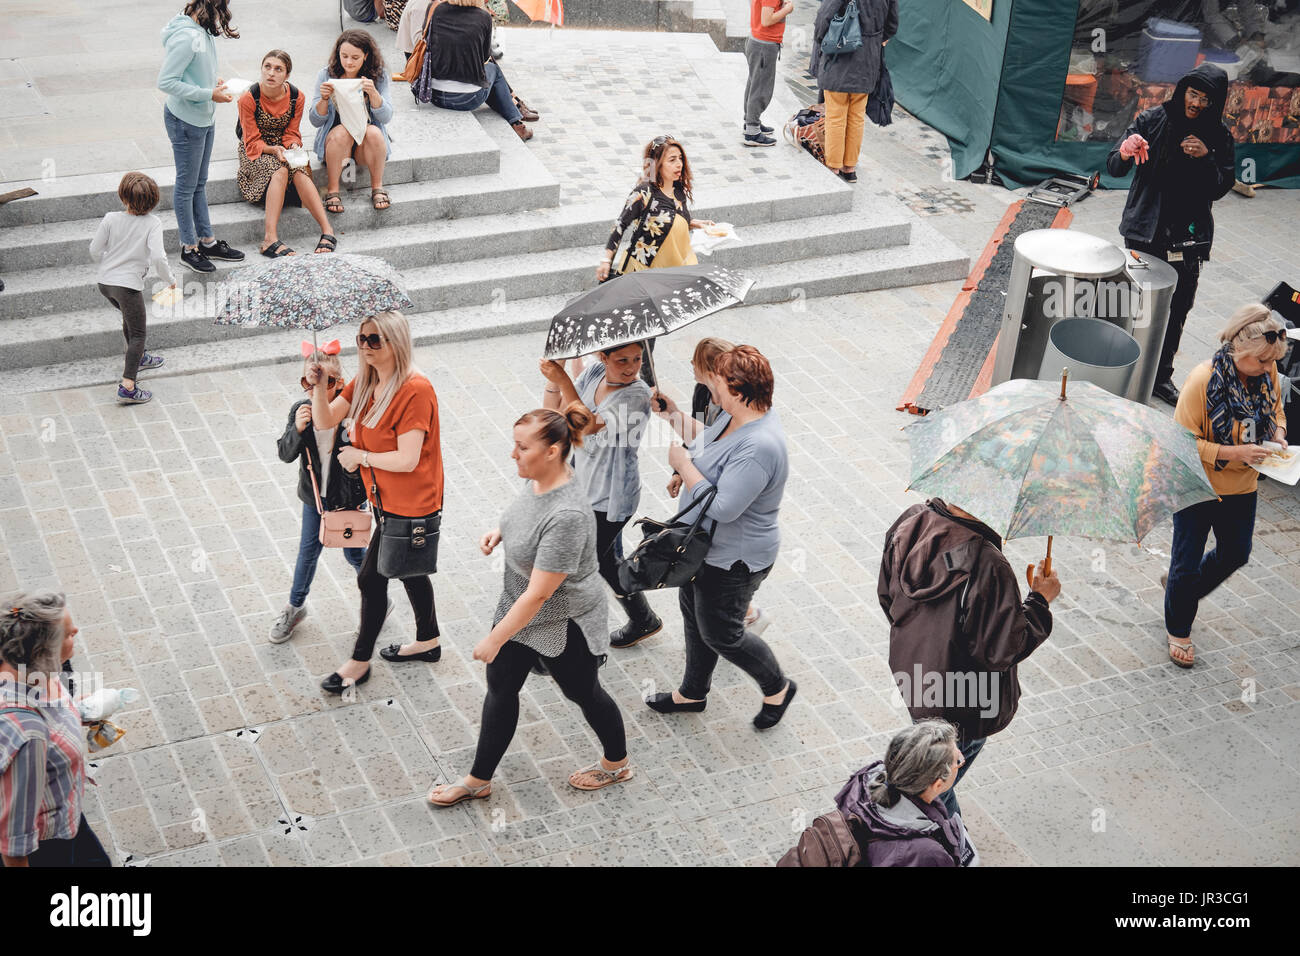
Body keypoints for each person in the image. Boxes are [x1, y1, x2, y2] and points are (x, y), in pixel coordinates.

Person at [428, 407, 633, 806]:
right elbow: (526, 516)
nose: (513, 455)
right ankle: (478, 780)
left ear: (554, 451)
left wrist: (495, 637)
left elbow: (540, 593)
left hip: (562, 621)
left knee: (584, 693)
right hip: (520, 607)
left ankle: (617, 763)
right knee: (501, 687)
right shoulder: (538, 480)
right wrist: (500, 531)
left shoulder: (569, 515)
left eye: (522, 447)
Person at [878, 497, 1060, 818]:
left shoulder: (910, 521)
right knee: (933, 789)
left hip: (917, 680)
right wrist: (1040, 601)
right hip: (967, 705)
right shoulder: (987, 564)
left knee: (929, 779)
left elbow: (886, 596)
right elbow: (1002, 648)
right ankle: (946, 844)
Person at [645, 346, 796, 729]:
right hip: (703, 548)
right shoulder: (736, 417)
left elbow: (725, 506)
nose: (707, 381)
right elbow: (708, 446)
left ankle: (778, 688)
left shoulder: (760, 445)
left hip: (734, 559)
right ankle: (692, 693)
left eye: (716, 378)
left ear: (738, 388)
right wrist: (674, 416)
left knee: (722, 633)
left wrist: (683, 466)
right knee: (694, 616)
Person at [305, 312, 445, 693]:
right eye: (361, 339)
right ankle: (429, 640)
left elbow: (408, 458)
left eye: (374, 340)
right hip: (385, 500)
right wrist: (319, 387)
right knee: (411, 571)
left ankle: (359, 661)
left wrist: (360, 456)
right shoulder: (367, 383)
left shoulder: (415, 389)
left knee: (370, 578)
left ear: (396, 341)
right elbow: (324, 421)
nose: (365, 347)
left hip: (412, 502)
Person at [1165, 304, 1288, 667]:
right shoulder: (1202, 381)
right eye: (1262, 362)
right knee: (1185, 565)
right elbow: (1180, 442)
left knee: (1237, 553)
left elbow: (1276, 409)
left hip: (1241, 486)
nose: (1269, 370)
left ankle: (1179, 593)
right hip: (1196, 485)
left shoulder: (1269, 374)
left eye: (1271, 363)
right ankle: (1178, 627)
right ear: (1240, 351)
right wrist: (1233, 452)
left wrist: (1278, 432)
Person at [1107, 63, 1235, 407]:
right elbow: (1114, 166)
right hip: (1145, 233)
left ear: (1215, 102)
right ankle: (1122, 368)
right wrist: (1124, 150)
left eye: (1205, 99)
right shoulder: (1152, 120)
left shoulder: (1219, 136)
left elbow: (1223, 185)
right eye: (1193, 94)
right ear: (1183, 91)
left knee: (1177, 309)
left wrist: (1207, 158)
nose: (1196, 103)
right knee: (1134, 304)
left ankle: (1160, 376)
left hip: (1187, 240)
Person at [539, 345, 661, 648]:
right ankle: (643, 619)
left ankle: (557, 645)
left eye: (637, 359)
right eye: (622, 360)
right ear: (602, 357)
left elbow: (588, 425)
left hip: (611, 499)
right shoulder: (593, 374)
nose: (631, 367)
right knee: (606, 563)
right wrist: (556, 378)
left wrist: (564, 381)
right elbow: (555, 416)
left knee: (570, 570)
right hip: (582, 488)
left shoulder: (637, 395)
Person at [656, 337, 769, 635]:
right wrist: (679, 468)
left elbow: (721, 448)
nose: (691, 367)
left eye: (694, 363)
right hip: (706, 492)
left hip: (722, 498)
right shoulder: (703, 394)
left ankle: (741, 620)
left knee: (717, 583)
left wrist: (684, 466)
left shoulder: (740, 414)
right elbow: (701, 434)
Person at [0, 593, 110, 867]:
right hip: (46, 844)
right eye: (67, 634)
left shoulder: (35, 671)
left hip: (64, 810)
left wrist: (76, 713)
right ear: (42, 652)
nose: (76, 631)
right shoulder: (30, 736)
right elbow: (15, 840)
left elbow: (54, 707)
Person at [270, 343, 369, 644]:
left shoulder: (351, 412)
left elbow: (364, 462)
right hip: (314, 498)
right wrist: (296, 433)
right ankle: (295, 607)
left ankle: (376, 600)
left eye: (320, 382)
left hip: (347, 498)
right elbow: (285, 454)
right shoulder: (300, 411)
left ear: (337, 384)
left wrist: (354, 438)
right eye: (306, 382)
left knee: (355, 553)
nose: (312, 390)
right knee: (307, 552)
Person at [597, 136, 715, 385]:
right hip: (639, 275)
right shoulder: (644, 193)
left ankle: (637, 378)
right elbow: (621, 225)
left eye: (680, 158)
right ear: (657, 164)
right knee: (644, 335)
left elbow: (671, 218)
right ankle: (646, 384)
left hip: (665, 277)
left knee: (649, 334)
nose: (679, 164)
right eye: (672, 159)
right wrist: (607, 260)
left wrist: (695, 223)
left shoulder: (679, 191)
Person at [157, 0, 246, 274]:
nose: (222, 17)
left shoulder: (202, 29)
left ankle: (207, 241)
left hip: (204, 118)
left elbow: (193, 71)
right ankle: (188, 247)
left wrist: (213, 83)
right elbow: (166, 82)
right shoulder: (187, 37)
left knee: (200, 182)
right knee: (186, 187)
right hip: (186, 121)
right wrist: (208, 94)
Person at [834, 720, 978, 867]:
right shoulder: (927, 854)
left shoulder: (863, 780)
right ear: (938, 784)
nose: (961, 759)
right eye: (958, 760)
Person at [89, 172, 176, 407]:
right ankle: (128, 385)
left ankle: (138, 358)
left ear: (123, 196)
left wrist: (111, 260)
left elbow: (94, 250)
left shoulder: (110, 218)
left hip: (105, 284)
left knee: (129, 320)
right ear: (154, 200)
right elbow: (159, 256)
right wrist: (170, 279)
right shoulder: (153, 223)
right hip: (127, 286)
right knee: (138, 333)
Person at [238, 50, 336, 257]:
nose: (271, 73)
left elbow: (292, 132)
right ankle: (269, 239)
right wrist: (272, 150)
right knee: (280, 171)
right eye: (267, 67)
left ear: (287, 76)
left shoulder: (296, 96)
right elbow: (251, 140)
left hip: (283, 145)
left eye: (278, 69)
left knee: (299, 169)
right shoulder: (248, 98)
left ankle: (328, 230)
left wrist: (292, 146)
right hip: (256, 148)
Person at [411, 0, 533, 141]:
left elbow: (428, 40)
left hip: (434, 95)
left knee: (489, 76)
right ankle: (516, 122)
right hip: (467, 100)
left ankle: (516, 113)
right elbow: (485, 57)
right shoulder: (483, 17)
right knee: (493, 70)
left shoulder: (437, 10)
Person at [812, 0, 898, 183]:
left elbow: (824, 17)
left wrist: (821, 39)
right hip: (868, 61)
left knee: (836, 115)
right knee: (857, 116)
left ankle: (834, 166)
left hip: (839, 58)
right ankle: (849, 167)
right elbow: (892, 24)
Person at [311, 30, 395, 215]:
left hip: (365, 145)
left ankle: (377, 187)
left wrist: (373, 94)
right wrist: (323, 100)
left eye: (355, 57)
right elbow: (315, 120)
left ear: (366, 56)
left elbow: (386, 117)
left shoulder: (378, 76)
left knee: (373, 131)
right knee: (342, 130)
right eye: (344, 56)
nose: (349, 62)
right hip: (336, 144)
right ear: (338, 54)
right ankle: (333, 190)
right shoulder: (326, 75)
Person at [744, 0, 793, 147]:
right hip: (764, 45)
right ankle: (752, 131)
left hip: (758, 42)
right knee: (760, 90)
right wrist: (787, 9)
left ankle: (751, 123)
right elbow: (766, 20)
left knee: (754, 85)